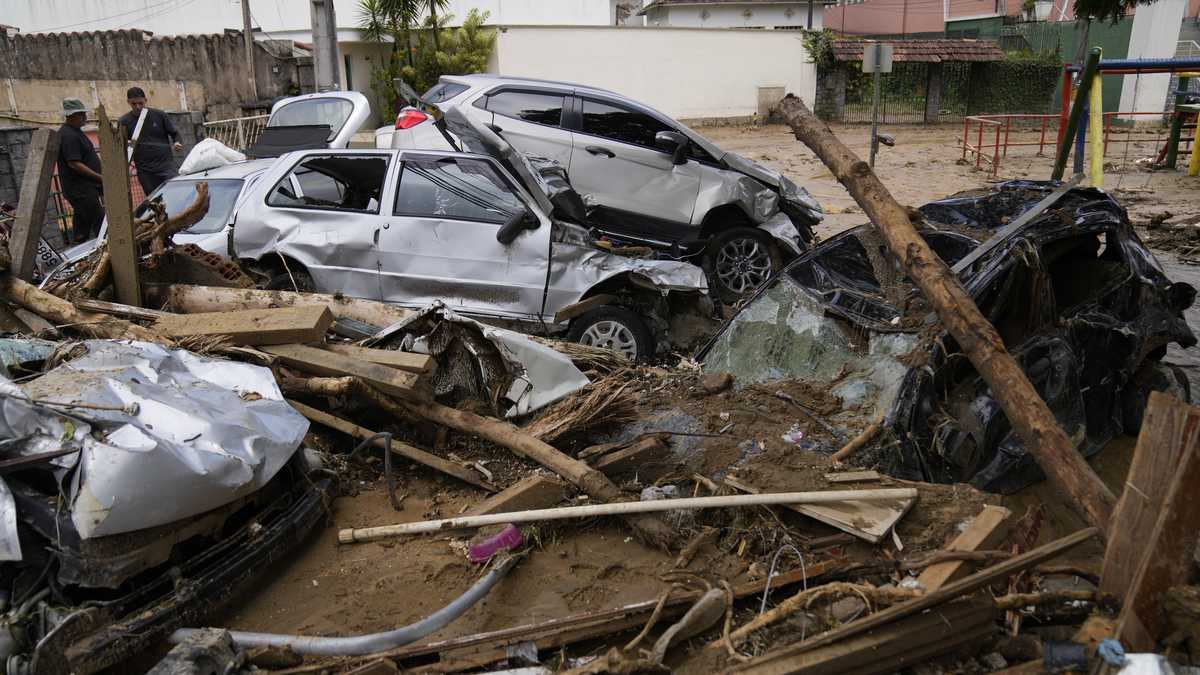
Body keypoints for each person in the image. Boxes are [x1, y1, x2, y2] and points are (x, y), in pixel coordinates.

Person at [56, 98, 104, 245]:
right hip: (81, 189)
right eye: (80, 114)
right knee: (100, 222)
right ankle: (104, 250)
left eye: (84, 113)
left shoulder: (76, 132)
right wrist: (100, 177)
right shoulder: (69, 135)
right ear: (70, 116)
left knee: (83, 221)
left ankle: (79, 244)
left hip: (85, 188)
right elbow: (74, 163)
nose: (84, 117)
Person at [119, 86, 183, 196]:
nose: (138, 107)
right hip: (145, 171)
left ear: (145, 100)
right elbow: (121, 146)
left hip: (166, 167)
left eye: (141, 103)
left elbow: (175, 133)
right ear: (128, 102)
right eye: (134, 104)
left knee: (176, 194)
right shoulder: (124, 122)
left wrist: (177, 142)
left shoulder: (159, 115)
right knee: (154, 200)